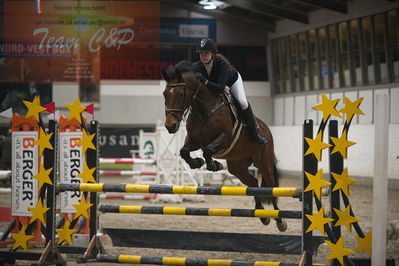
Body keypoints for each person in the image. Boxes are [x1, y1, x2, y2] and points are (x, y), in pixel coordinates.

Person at [193, 38, 268, 145]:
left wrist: (205, 81)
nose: (203, 56)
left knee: (242, 102)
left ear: (212, 54)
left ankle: (255, 134)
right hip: (216, 85)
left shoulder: (221, 64)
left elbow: (219, 88)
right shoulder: (198, 67)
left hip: (232, 82)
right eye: (201, 53)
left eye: (206, 53)